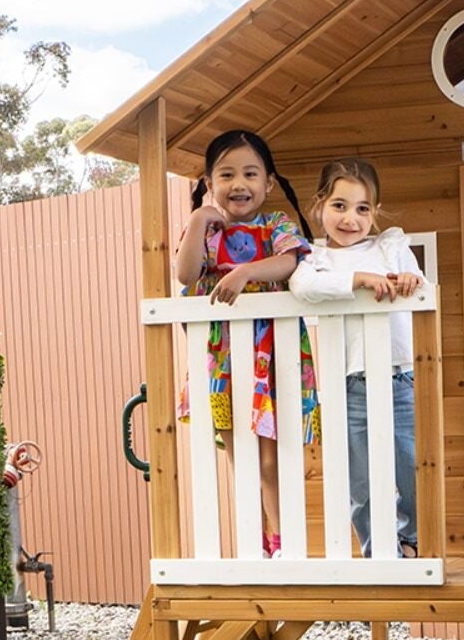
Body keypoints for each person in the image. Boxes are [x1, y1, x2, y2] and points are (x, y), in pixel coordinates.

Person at [174, 130, 319, 557]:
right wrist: (200, 218)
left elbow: (290, 260)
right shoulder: (205, 232)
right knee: (242, 459)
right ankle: (255, 543)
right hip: (223, 363)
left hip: (272, 357)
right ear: (210, 181)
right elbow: (185, 275)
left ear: (268, 183)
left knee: (272, 459)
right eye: (227, 174)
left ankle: (282, 543)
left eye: (251, 174)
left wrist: (244, 272)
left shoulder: (277, 226)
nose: (240, 184)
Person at [290, 158, 422, 558]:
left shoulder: (390, 246)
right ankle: (377, 554)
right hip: (349, 385)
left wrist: (412, 279)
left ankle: (409, 538)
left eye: (363, 208)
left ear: (375, 212)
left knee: (411, 468)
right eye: (340, 206)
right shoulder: (315, 258)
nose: (351, 218)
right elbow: (304, 288)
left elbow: (417, 282)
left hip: (399, 379)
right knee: (360, 481)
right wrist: (360, 281)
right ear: (319, 205)